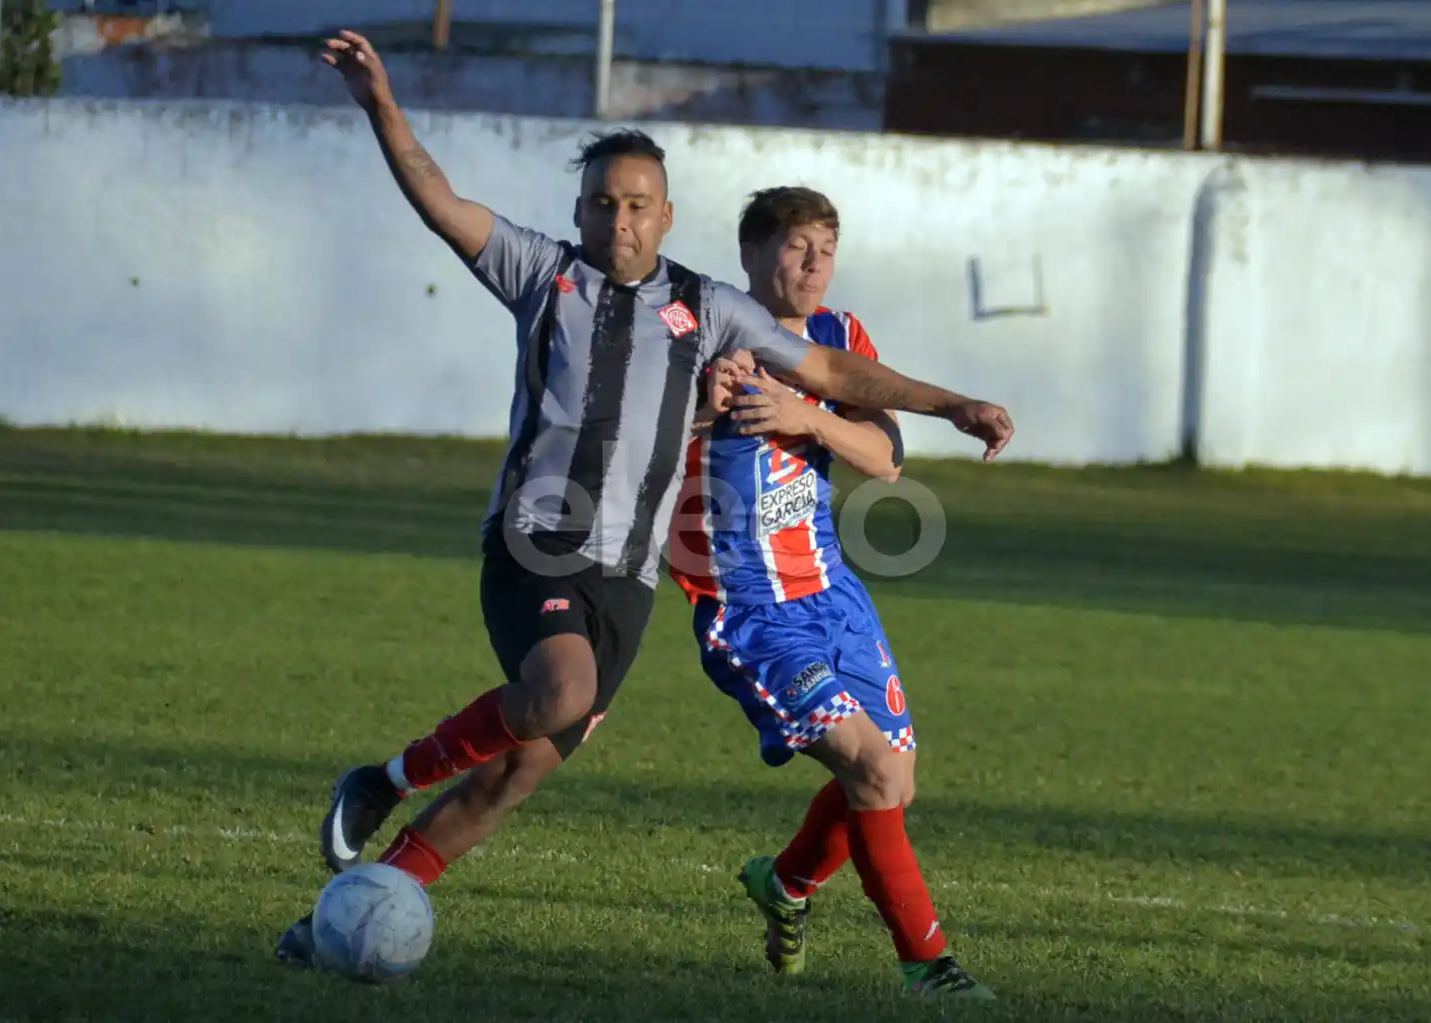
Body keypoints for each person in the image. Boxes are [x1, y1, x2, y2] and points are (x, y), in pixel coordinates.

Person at [278, 30, 1015, 966]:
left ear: (666, 216)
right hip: (540, 541)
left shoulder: (710, 309)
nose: (618, 221)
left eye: (636, 205)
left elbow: (831, 371)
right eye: (602, 203)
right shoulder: (540, 273)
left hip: (628, 579)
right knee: (561, 690)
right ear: (579, 210)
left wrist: (952, 404)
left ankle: (341, 917)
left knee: (519, 770)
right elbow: (439, 200)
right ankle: (387, 777)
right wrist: (381, 103)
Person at [665, 186, 994, 1000]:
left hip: (833, 592)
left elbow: (884, 459)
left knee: (895, 778)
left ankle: (784, 884)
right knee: (873, 770)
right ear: (749, 254)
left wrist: (804, 417)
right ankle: (930, 968)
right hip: (750, 605)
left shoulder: (841, 338)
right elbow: (639, 435)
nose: (814, 266)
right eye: (796, 246)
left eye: (826, 249)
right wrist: (705, 411)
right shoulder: (702, 332)